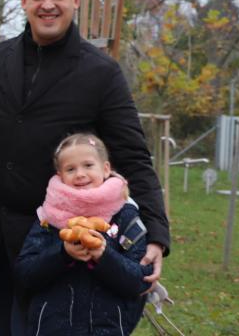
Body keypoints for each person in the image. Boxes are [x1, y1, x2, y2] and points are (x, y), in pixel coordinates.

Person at [0, 0, 170, 335]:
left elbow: (133, 157)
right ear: (24, 0)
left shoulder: (101, 74)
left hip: (59, 247)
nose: (48, 5)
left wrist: (157, 234)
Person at [16, 134, 152, 335]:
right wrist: (62, 254)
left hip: (107, 329)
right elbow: (25, 274)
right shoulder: (48, 218)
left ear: (105, 169)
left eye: (88, 165)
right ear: (60, 175)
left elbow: (140, 280)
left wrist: (105, 256)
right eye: (70, 169)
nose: (80, 174)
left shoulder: (126, 216)